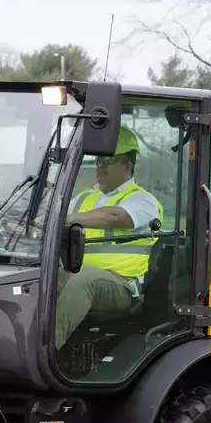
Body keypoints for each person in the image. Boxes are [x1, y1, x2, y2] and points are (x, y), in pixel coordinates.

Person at [55, 126, 163, 347]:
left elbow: (112, 217)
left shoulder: (143, 201)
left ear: (127, 166)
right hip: (77, 273)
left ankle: (45, 350)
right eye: (98, 160)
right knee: (40, 276)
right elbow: (52, 218)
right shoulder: (83, 198)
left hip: (122, 284)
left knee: (84, 280)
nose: (100, 165)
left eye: (108, 160)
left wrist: (64, 219)